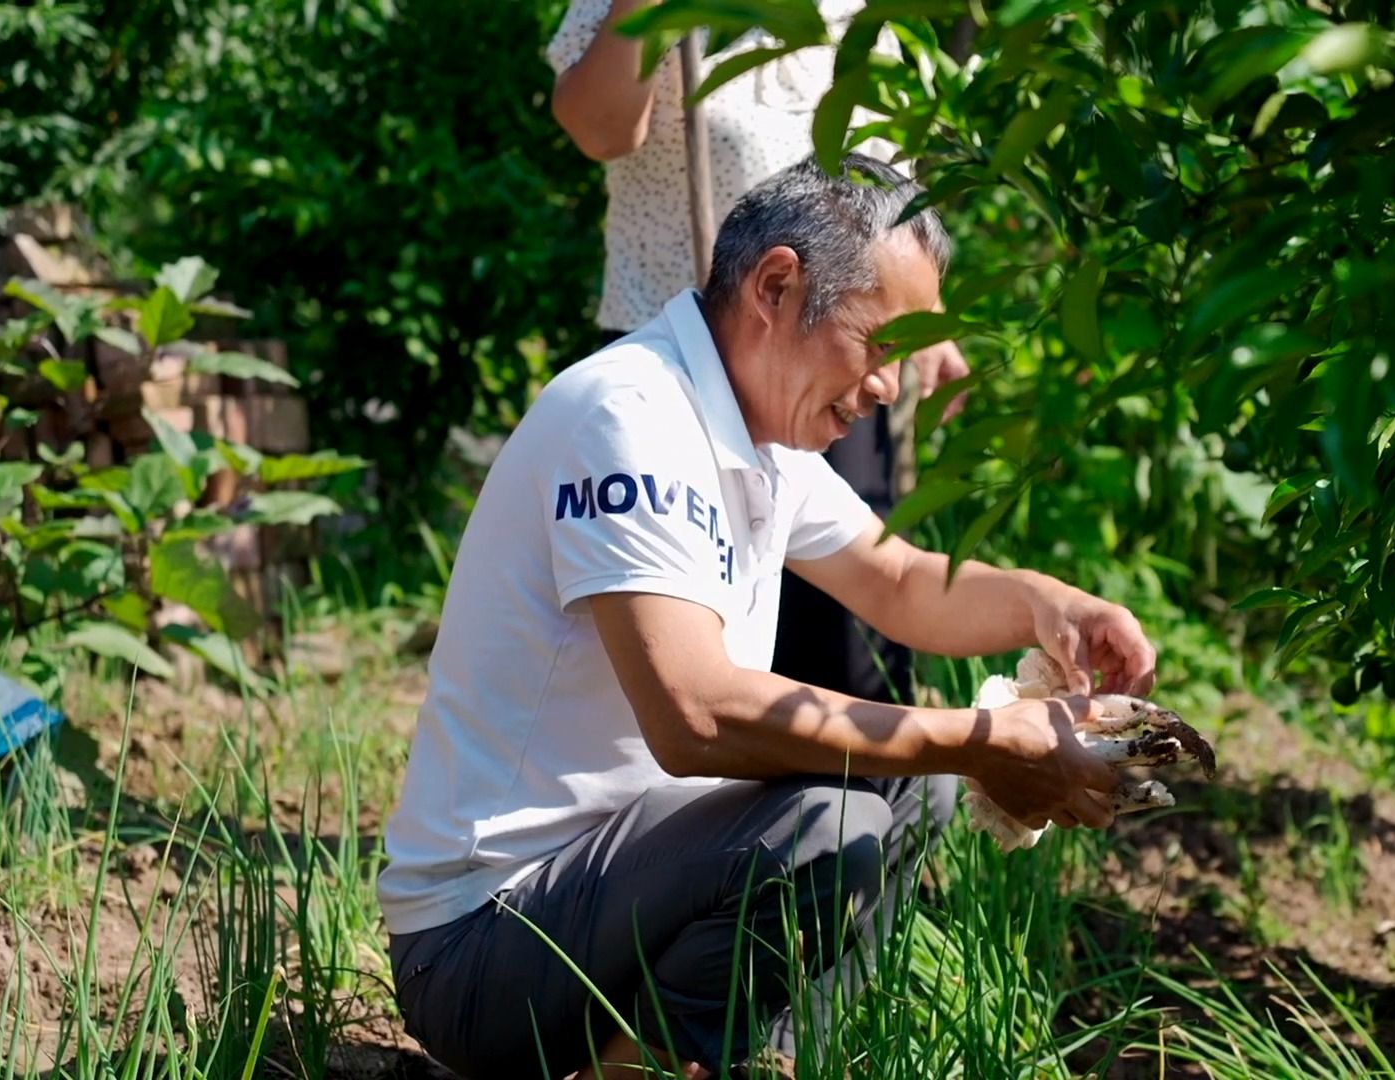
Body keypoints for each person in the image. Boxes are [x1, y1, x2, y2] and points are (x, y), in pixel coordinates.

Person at [377, 156, 1157, 1079]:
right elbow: (695, 715)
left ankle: (761, 1061)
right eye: (881, 343)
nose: (888, 388)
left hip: (610, 895)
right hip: (485, 943)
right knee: (829, 827)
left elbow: (899, 579)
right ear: (777, 285)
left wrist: (1045, 602)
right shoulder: (630, 416)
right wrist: (987, 737)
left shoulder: (761, 441)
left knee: (922, 790)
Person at [545, 0, 970, 709]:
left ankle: (849, 812)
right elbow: (599, 127)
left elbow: (886, 199)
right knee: (686, 638)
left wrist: (925, 327)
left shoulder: (858, 14)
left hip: (834, 360)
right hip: (682, 368)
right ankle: (705, 811)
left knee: (846, 639)